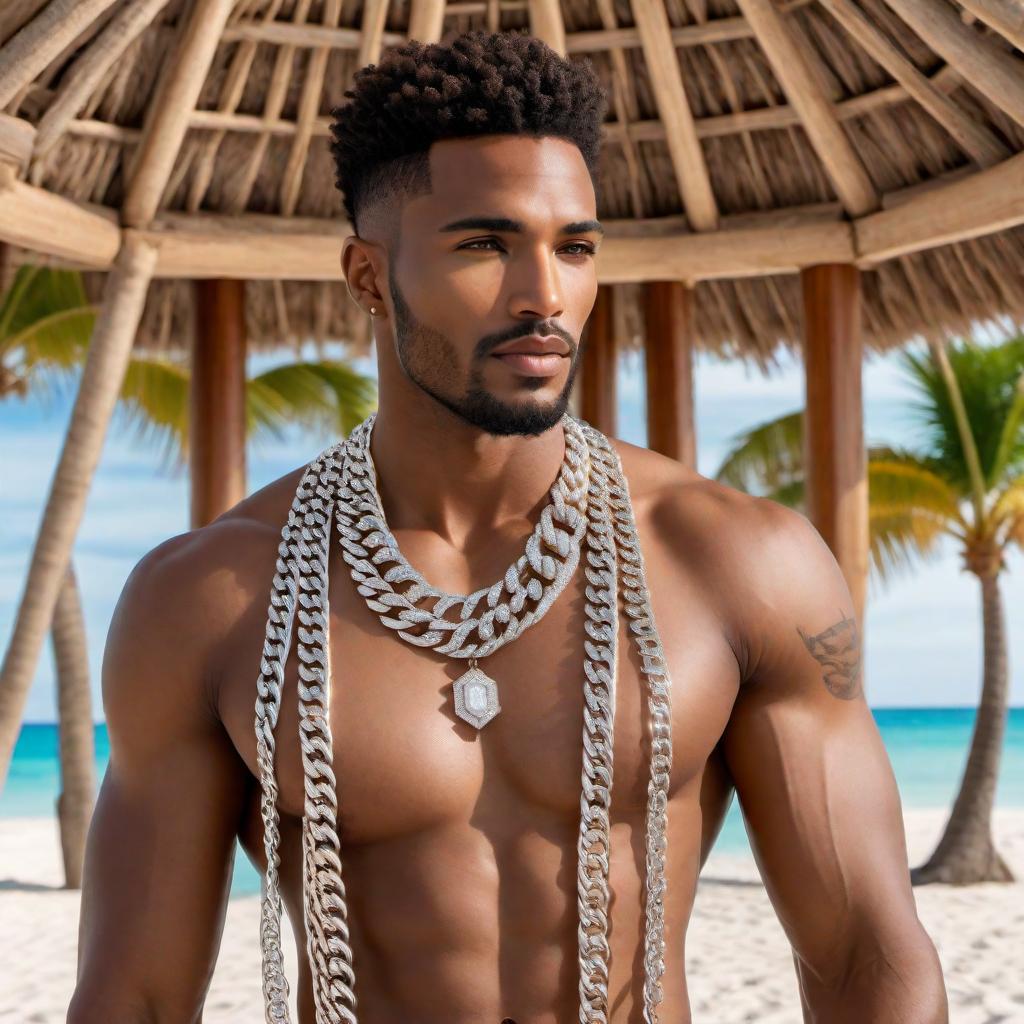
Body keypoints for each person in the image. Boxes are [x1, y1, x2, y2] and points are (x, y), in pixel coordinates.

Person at [67, 28, 948, 1024]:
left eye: (573, 248)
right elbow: (132, 996)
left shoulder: (738, 560)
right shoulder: (208, 598)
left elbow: (869, 953)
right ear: (367, 276)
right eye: (485, 245)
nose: (545, 297)